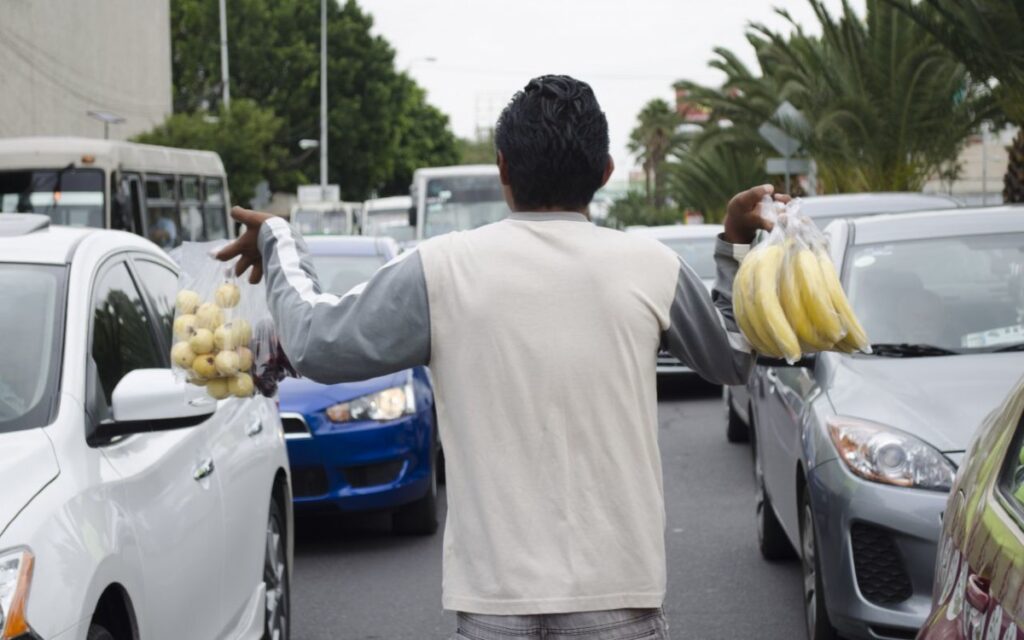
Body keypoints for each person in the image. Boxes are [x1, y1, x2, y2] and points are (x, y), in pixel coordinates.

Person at [217, 74, 782, 640]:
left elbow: (315, 339)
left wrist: (279, 239)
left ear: (503, 169)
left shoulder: (441, 269)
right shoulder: (650, 266)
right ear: (605, 173)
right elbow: (734, 357)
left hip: (495, 604)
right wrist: (732, 242)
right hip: (620, 595)